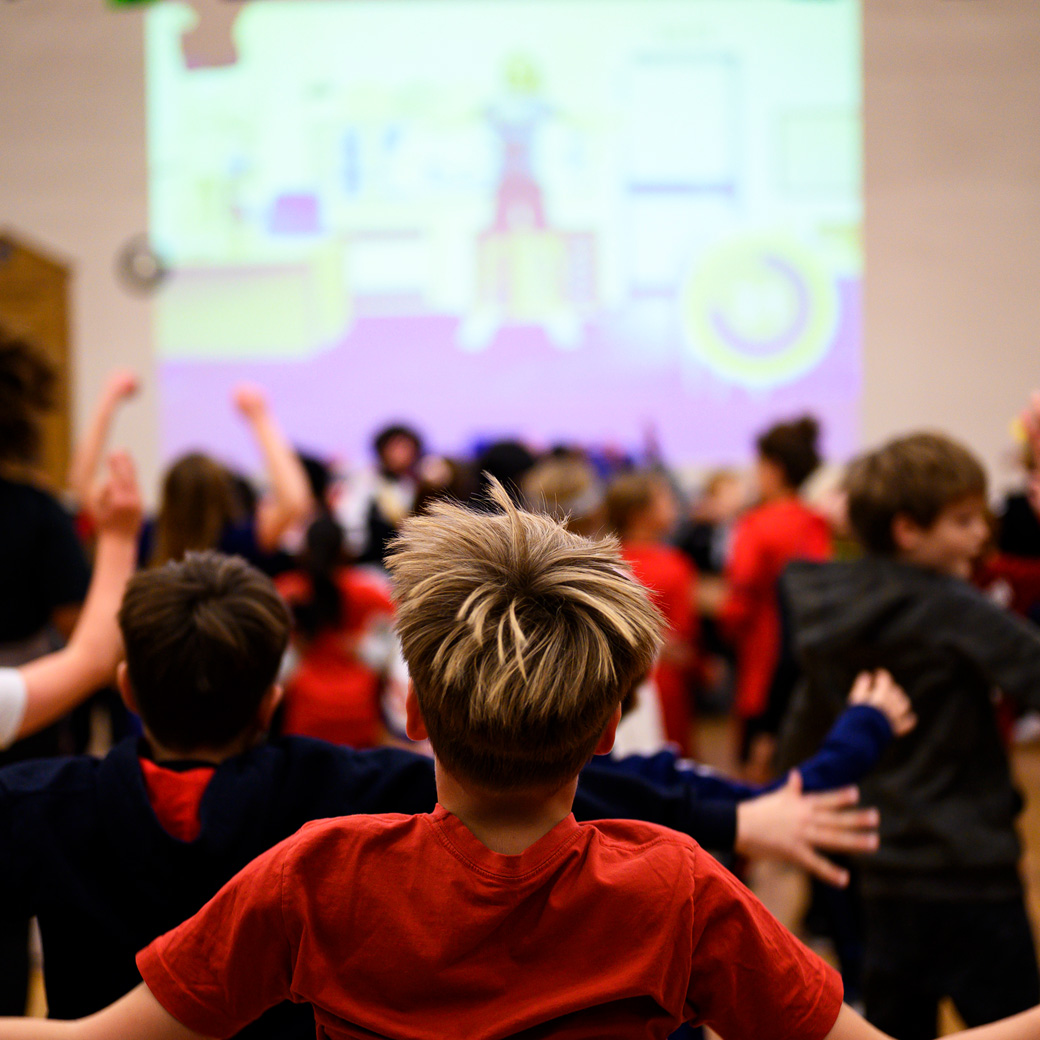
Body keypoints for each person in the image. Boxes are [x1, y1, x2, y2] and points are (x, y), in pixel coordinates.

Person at [7, 484, 1039, 1040]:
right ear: (606, 732)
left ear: (411, 709)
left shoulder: (319, 873)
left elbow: (94, 1038)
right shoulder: (674, 890)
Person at [778, 431, 1040, 1040]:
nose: (982, 535)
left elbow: (804, 732)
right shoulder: (952, 605)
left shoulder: (829, 607)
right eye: (963, 520)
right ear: (907, 530)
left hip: (880, 863)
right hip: (972, 867)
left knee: (895, 1025)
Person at [718, 415, 831, 772]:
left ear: (774, 468)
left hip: (762, 665)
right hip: (810, 661)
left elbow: (740, 604)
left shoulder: (756, 525)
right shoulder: (816, 521)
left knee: (756, 774)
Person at [275, 515, 401, 747]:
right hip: (360, 722)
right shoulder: (366, 591)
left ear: (304, 551)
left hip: (304, 723)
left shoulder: (287, 592)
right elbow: (401, 632)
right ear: (345, 552)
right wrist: (362, 649)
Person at [605, 470, 698, 753]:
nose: (674, 505)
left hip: (614, 680)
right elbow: (685, 636)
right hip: (664, 682)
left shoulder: (603, 559)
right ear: (639, 513)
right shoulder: (675, 565)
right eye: (665, 499)